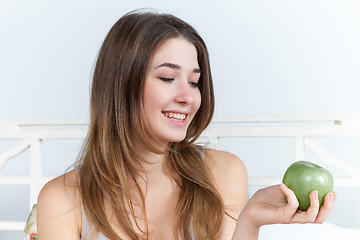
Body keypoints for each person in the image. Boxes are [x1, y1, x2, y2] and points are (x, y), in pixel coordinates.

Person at [37, 10, 336, 240]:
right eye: (168, 78)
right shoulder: (62, 199)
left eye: (194, 82)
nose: (188, 97)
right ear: (121, 85)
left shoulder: (222, 174)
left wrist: (250, 218)